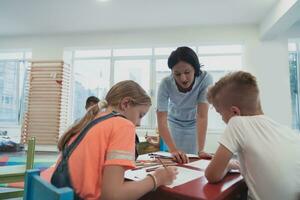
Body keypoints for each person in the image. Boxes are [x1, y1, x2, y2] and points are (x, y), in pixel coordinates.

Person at [54, 80, 178, 200]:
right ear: (125, 104)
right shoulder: (123, 125)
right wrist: (157, 178)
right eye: (140, 115)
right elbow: (112, 196)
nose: (139, 123)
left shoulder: (93, 119)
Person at [205, 71, 300, 200]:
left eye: (220, 114)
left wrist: (228, 165)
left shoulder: (237, 122)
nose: (222, 119)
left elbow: (212, 174)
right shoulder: (287, 131)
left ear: (234, 111)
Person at [156, 46, 213, 163]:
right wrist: (173, 150)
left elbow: (202, 116)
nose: (183, 78)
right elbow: (161, 121)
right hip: (173, 122)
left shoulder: (205, 79)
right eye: (177, 74)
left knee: (193, 159)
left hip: (194, 122)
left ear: (195, 69)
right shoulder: (165, 83)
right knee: (175, 159)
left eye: (187, 72)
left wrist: (201, 149)